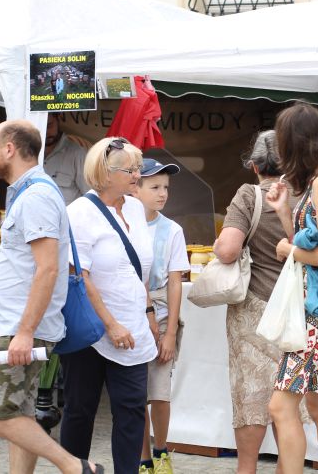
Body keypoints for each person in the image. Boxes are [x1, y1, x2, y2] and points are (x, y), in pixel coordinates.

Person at [0, 120, 102, 474]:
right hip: (18, 324)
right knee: (20, 414)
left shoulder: (36, 196)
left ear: (10, 149)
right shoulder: (29, 191)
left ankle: (76, 467)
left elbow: (48, 269)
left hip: (20, 326)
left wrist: (25, 331)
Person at [61, 137, 158, 474]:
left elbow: (139, 271)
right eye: (130, 169)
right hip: (91, 329)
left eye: (138, 167)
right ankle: (74, 469)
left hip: (132, 327)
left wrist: (147, 313)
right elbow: (80, 276)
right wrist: (111, 324)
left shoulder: (134, 207)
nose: (137, 175)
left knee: (131, 408)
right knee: (80, 410)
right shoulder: (79, 213)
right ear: (105, 173)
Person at [266, 103, 318, 474]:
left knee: (281, 406)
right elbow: (315, 246)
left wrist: (288, 248)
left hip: (317, 312)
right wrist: (286, 213)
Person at [213, 131, 304, 474]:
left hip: (252, 310)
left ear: (254, 166)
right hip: (296, 311)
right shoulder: (305, 196)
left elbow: (228, 249)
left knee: (251, 395)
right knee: (289, 399)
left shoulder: (249, 195)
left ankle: (247, 469)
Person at [133, 157, 187, 474]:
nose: (162, 193)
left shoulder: (172, 230)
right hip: (134, 314)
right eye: (154, 186)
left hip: (163, 313)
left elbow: (176, 281)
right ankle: (142, 459)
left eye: (165, 187)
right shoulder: (126, 225)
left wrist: (169, 332)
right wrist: (147, 314)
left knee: (160, 389)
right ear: (136, 188)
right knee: (136, 390)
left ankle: (161, 450)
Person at [44, 114, 89, 204]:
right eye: (41, 127)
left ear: (59, 120)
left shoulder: (77, 154)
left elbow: (91, 196)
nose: (46, 132)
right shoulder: (29, 154)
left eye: (49, 125)